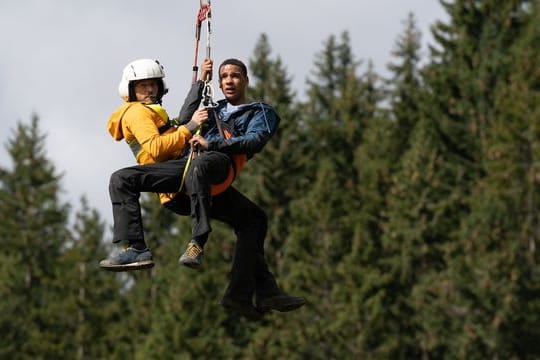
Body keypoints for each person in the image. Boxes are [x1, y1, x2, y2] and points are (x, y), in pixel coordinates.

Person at [101, 57, 305, 320]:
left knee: (205, 169)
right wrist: (199, 84)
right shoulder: (213, 110)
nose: (229, 80)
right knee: (253, 219)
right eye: (224, 77)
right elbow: (186, 119)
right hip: (193, 174)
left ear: (245, 80)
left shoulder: (261, 112)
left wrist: (215, 144)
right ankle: (247, 294)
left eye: (235, 76)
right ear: (219, 84)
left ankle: (198, 242)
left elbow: (254, 141)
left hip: (218, 165)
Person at [99, 58, 213, 271]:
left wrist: (199, 83)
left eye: (154, 84)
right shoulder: (136, 112)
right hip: (175, 174)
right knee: (121, 179)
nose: (150, 89)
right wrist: (191, 127)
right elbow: (156, 148)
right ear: (131, 90)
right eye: (144, 85)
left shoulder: (153, 112)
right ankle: (136, 247)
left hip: (180, 172)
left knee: (252, 219)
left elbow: (181, 121)